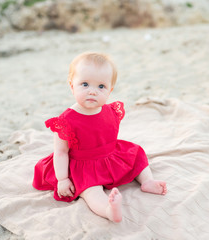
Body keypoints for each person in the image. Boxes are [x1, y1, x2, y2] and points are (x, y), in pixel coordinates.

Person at [32, 52, 167, 222]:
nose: (93, 92)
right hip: (83, 165)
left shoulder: (111, 111)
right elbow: (60, 152)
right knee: (90, 190)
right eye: (85, 84)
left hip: (110, 156)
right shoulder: (66, 121)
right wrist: (63, 179)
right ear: (72, 86)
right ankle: (108, 209)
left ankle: (147, 181)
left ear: (110, 90)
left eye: (101, 87)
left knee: (136, 154)